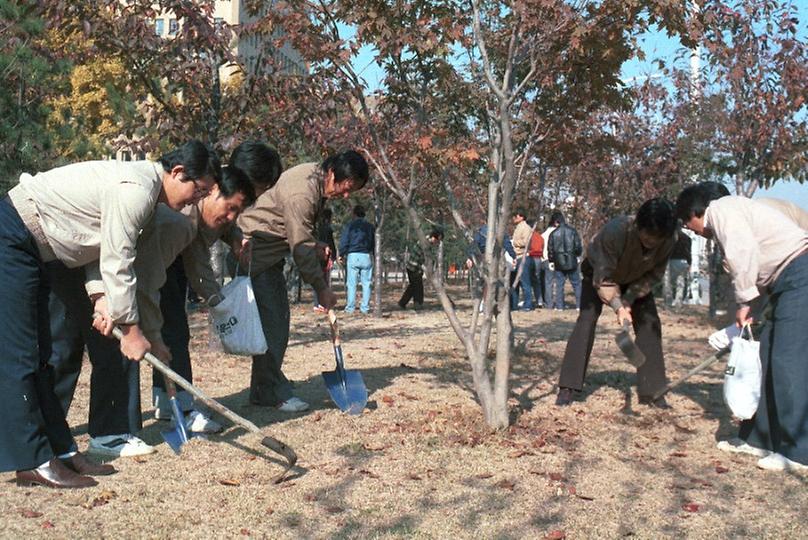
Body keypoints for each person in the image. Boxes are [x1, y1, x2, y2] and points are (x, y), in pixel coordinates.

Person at [1, 140, 218, 488]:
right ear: (177, 173)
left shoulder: (145, 196)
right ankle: (33, 461)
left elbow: (97, 246)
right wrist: (131, 331)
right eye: (199, 190)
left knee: (42, 356)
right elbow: (118, 260)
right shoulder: (136, 190)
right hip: (13, 235)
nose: (198, 200)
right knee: (20, 357)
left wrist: (100, 297)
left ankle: (63, 450)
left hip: (45, 251)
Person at [676, 185, 808, 472]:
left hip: (801, 273)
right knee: (769, 355)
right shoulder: (732, 212)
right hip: (785, 281)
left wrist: (744, 302)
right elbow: (757, 266)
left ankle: (799, 452)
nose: (692, 230)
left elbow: (743, 251)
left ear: (696, 212)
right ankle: (760, 437)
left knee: (789, 362)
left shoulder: (722, 210)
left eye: (688, 224)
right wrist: (748, 315)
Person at [151, 142, 279, 430]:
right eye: (261, 186)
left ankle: (165, 399)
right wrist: (216, 300)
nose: (262, 193)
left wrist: (233, 235)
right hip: (160, 264)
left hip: (170, 264)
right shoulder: (188, 211)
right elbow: (196, 258)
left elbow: (220, 223)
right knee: (172, 334)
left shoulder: (217, 197)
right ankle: (180, 406)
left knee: (169, 333)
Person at [238, 150, 369, 411]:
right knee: (273, 325)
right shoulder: (303, 193)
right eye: (345, 188)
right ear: (332, 173)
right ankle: (269, 392)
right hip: (253, 255)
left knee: (276, 322)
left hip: (268, 256)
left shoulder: (314, 179)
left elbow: (298, 233)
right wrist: (321, 288)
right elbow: (299, 246)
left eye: (351, 192)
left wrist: (316, 244)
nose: (345, 196)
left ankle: (267, 384)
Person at [555, 198, 677, 408]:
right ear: (638, 225)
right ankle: (568, 387)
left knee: (650, 324)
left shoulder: (669, 238)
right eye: (648, 236)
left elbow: (654, 274)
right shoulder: (616, 231)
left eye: (657, 238)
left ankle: (653, 390)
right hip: (599, 274)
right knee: (587, 319)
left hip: (637, 280)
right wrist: (619, 306)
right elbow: (604, 278)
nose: (652, 242)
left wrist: (630, 299)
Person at [339, 204, 376, 314]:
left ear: (354, 214)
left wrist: (342, 253)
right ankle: (365, 308)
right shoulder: (370, 227)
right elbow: (374, 242)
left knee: (351, 284)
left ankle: (350, 308)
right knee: (367, 283)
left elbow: (345, 241)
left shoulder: (350, 226)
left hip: (353, 255)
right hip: (366, 256)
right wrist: (373, 254)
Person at [398, 229, 443, 310]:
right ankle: (417, 304)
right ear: (433, 237)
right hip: (413, 267)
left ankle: (402, 303)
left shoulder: (427, 242)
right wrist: (424, 269)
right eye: (437, 240)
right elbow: (422, 259)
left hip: (415, 267)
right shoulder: (426, 244)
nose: (437, 243)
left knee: (413, 286)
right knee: (418, 287)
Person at [547, 211, 583, 310]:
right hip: (572, 261)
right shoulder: (573, 231)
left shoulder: (553, 234)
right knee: (576, 284)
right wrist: (578, 255)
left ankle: (560, 306)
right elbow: (578, 246)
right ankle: (579, 305)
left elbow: (550, 249)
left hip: (559, 262)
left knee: (559, 285)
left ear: (555, 222)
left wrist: (551, 261)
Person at [510, 209, 535, 311]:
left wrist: (514, 242)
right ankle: (514, 304)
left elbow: (526, 242)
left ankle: (528, 305)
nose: (513, 218)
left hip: (524, 257)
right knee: (515, 283)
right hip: (517, 257)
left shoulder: (526, 227)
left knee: (525, 283)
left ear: (521, 217)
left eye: (515, 216)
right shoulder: (518, 227)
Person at [313, 207, 338, 312]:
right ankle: (323, 304)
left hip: (315, 255)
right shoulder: (327, 228)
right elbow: (331, 243)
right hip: (325, 256)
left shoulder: (315, 228)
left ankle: (317, 304)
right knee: (325, 280)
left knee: (317, 279)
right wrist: (334, 255)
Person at [665, 229, 692, 307]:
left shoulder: (670, 237)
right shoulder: (687, 238)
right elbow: (688, 252)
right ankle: (678, 302)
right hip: (683, 261)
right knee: (680, 282)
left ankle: (668, 301)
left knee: (668, 282)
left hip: (671, 260)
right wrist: (689, 263)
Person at [541, 214, 560, 308]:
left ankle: (549, 303)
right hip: (557, 259)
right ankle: (559, 303)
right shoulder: (558, 233)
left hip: (545, 259)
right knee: (559, 282)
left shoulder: (543, 234)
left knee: (548, 283)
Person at [527, 220, 545, 308]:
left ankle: (528, 300)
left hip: (530, 257)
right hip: (538, 259)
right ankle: (539, 300)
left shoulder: (528, 236)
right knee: (537, 280)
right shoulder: (540, 237)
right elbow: (542, 247)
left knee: (527, 280)